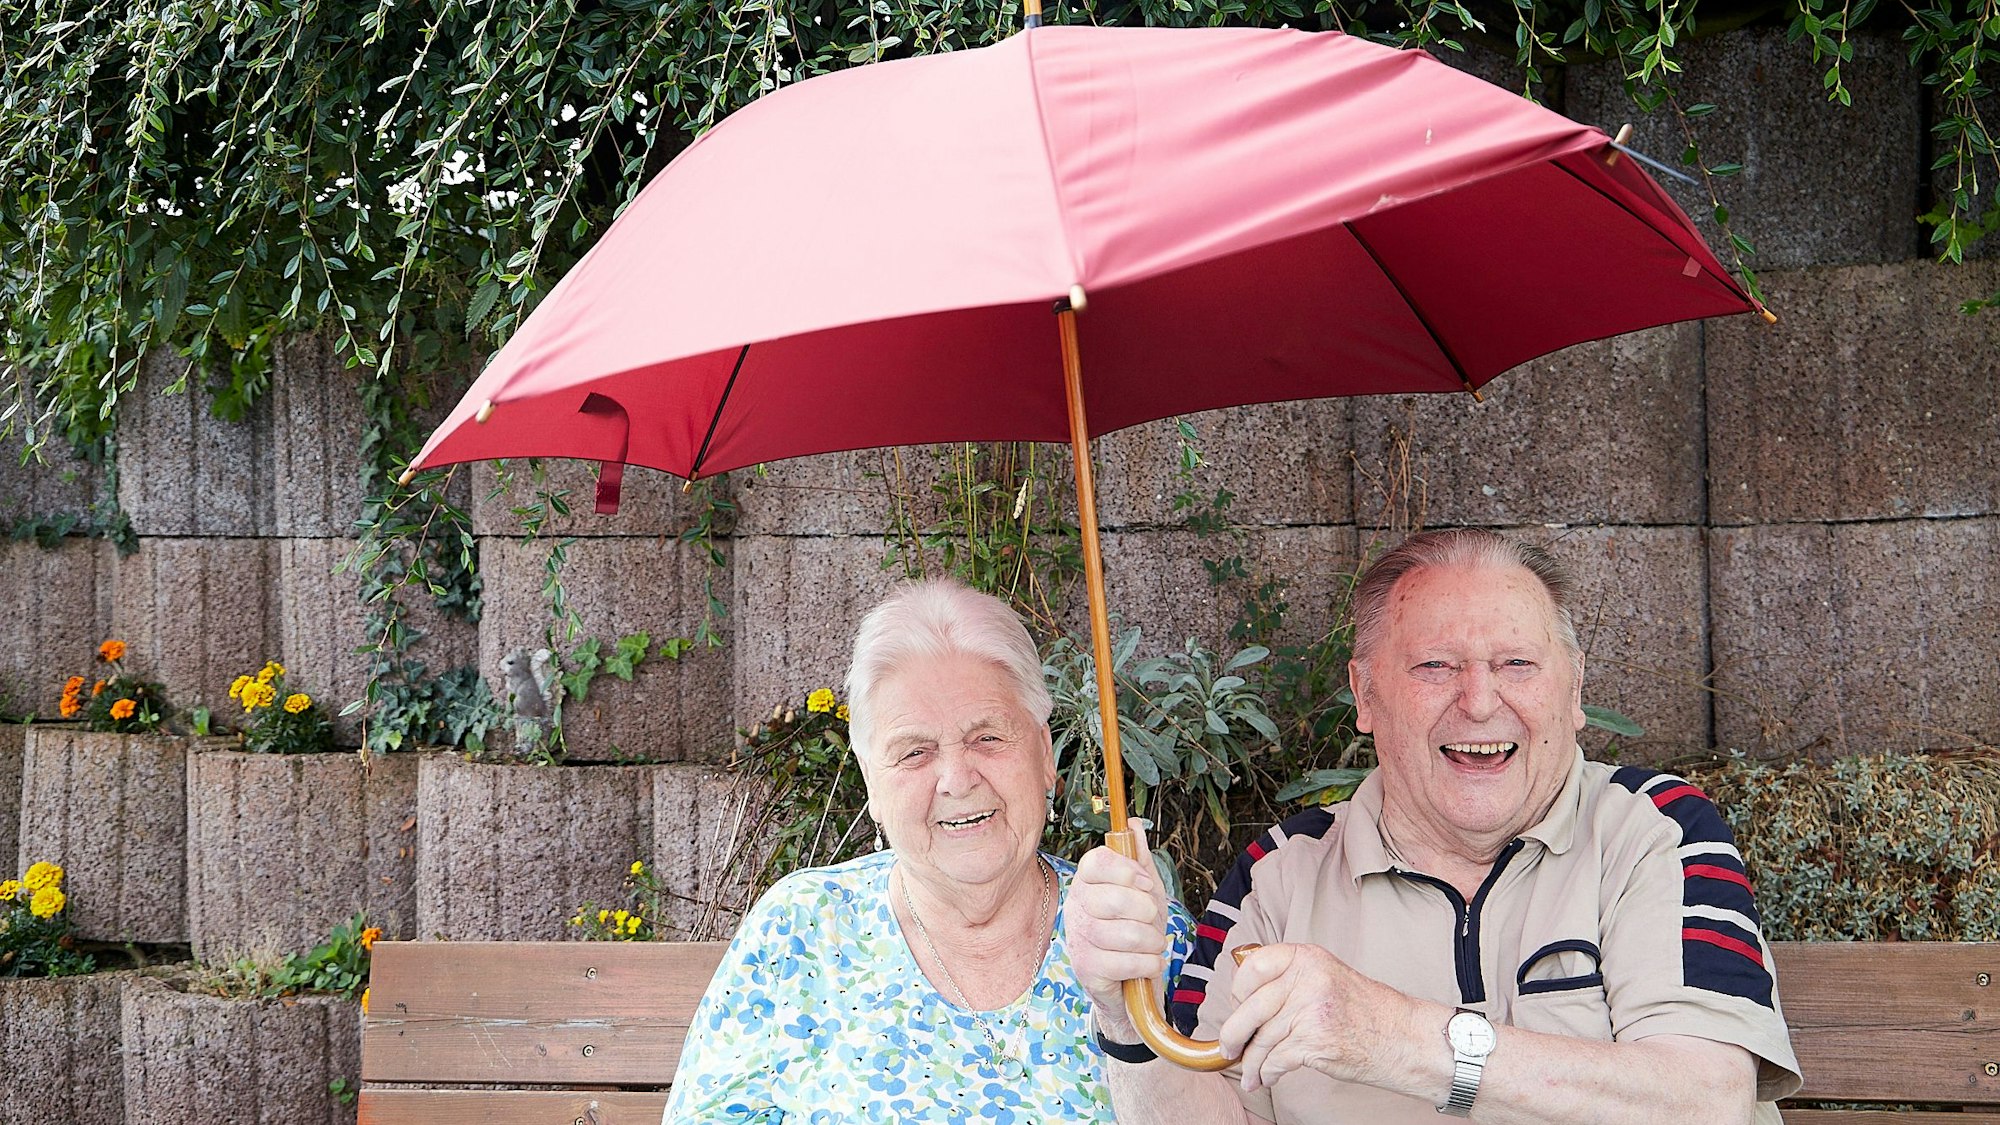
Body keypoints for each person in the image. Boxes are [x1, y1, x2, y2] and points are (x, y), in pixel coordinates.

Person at [1063, 529, 1802, 1124]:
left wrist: (1388, 1036)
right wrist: (1124, 1015)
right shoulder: (1279, 873)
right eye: (1435, 665)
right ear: (1366, 692)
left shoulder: (1657, 830)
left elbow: (1708, 1099)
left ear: (1574, 688)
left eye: (1516, 662)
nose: (1480, 702)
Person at [664, 578, 1191, 1123]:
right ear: (871, 781)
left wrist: (1128, 1020)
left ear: (1044, 752)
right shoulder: (799, 931)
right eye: (915, 752)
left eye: (987, 737)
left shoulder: (1140, 937)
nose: (957, 780)